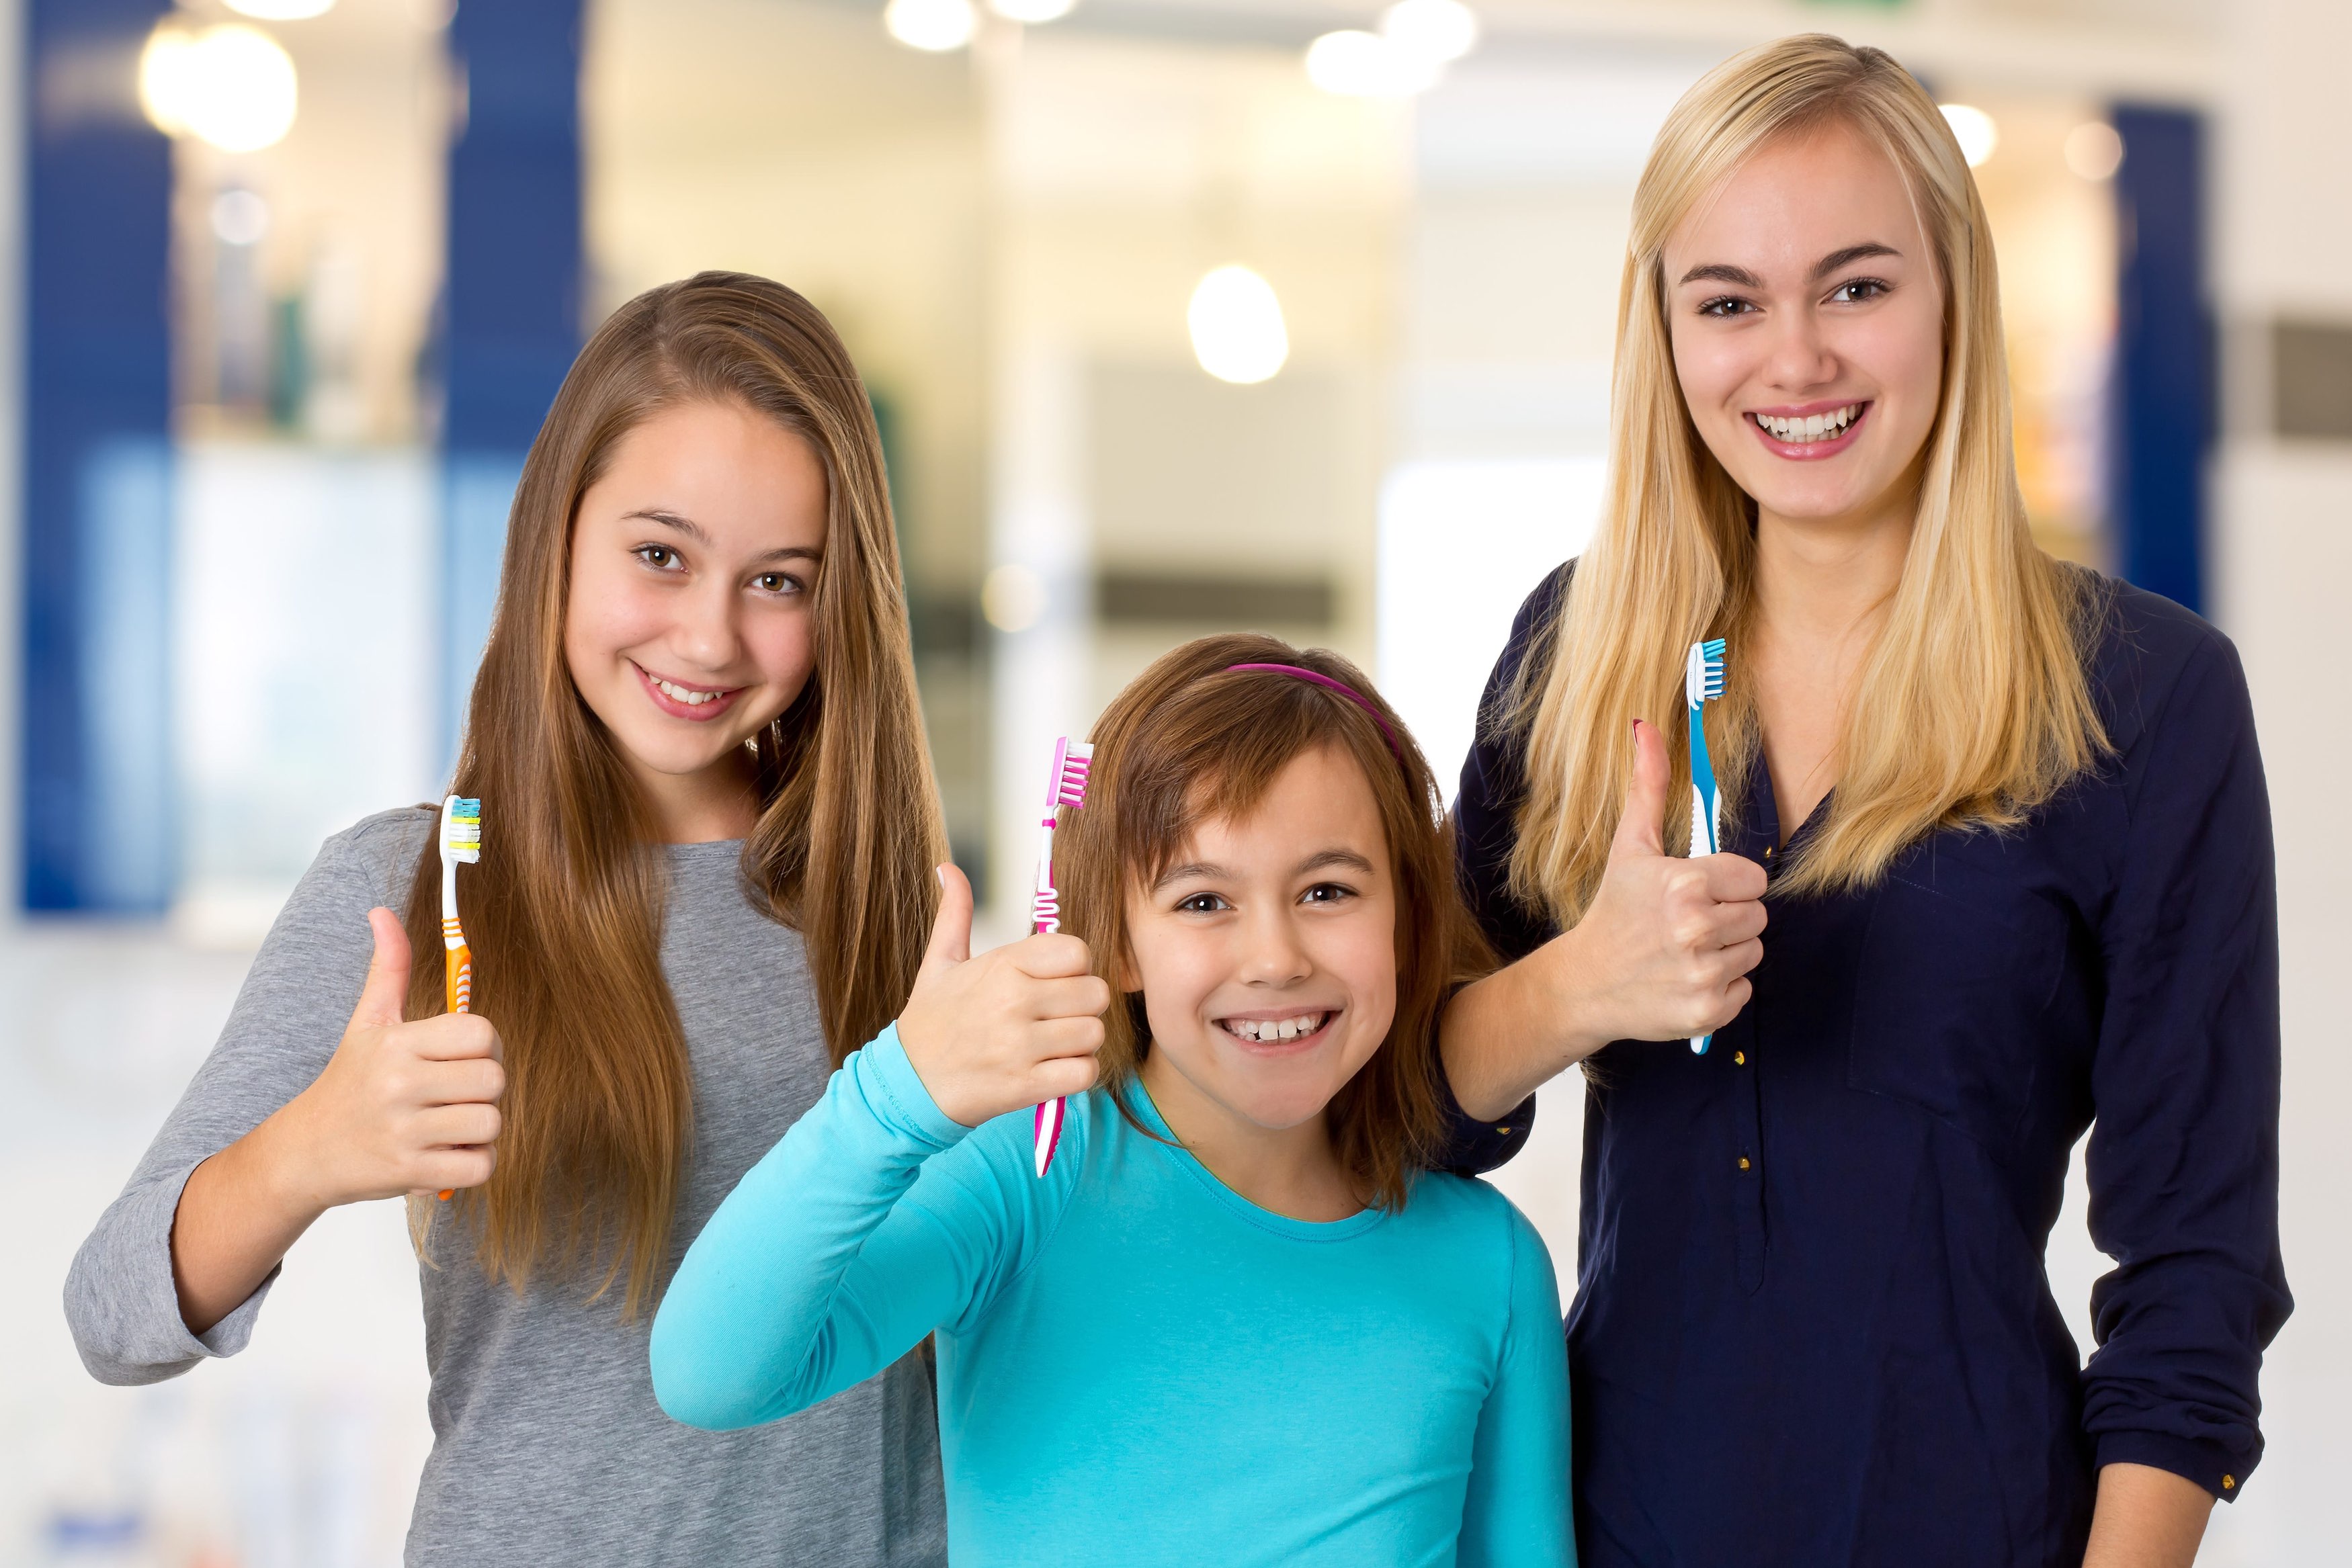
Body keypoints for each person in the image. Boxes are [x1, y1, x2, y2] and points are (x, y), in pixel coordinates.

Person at [1437, 36, 2289, 1568]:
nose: (1795, 361)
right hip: (1607, 1525)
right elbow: (1405, 1116)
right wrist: (1579, 987)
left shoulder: (2148, 698)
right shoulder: (1579, 651)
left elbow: (2196, 1268)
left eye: (1856, 286)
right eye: (1728, 302)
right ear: (1666, 335)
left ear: (1953, 296)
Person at [66, 273, 955, 1565]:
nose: (708, 636)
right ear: (558, 538)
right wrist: (313, 1146)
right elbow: (113, 1314)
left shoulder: (903, 915)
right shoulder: (413, 889)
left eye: (779, 580)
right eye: (660, 555)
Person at [650, 635, 1574, 1567]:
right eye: (1204, 901)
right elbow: (710, 1373)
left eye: (1326, 890)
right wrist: (898, 1094)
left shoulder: (1489, 1264)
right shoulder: (1027, 1178)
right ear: (1119, 945)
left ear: (1408, 923)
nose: (1276, 958)